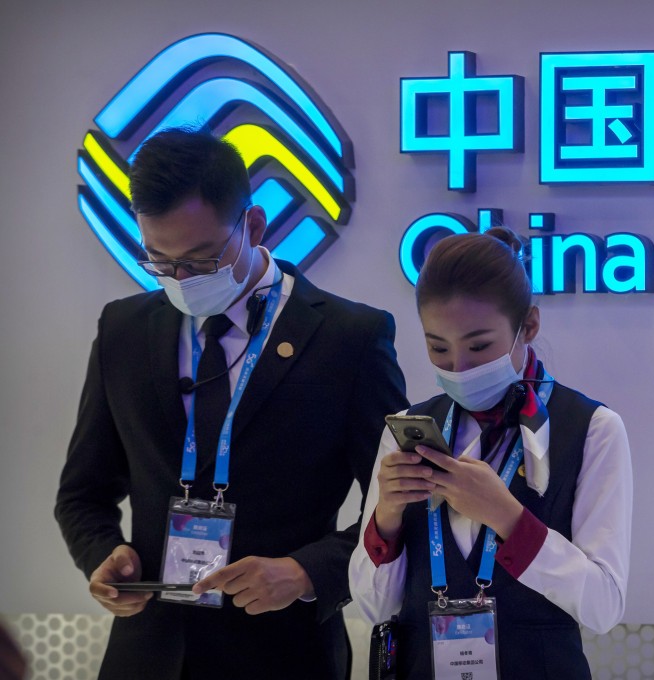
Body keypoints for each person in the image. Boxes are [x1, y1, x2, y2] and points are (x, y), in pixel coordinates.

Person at [54, 128, 407, 679]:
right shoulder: (123, 329)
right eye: (159, 261)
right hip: (148, 655)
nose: (180, 279)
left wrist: (306, 572)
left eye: (200, 261)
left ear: (254, 225)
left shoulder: (349, 338)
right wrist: (102, 554)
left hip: (285, 654)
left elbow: (399, 503)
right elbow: (82, 493)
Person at [349, 229, 632, 678]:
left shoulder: (592, 429)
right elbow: (374, 606)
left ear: (529, 326)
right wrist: (387, 517)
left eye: (479, 346)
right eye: (438, 347)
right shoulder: (407, 428)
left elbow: (603, 606)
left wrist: (509, 519)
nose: (459, 368)